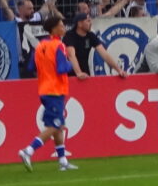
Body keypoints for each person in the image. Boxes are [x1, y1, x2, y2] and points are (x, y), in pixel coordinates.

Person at [19, 14, 78, 171]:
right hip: (55, 90)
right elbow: (61, 68)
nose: (64, 28)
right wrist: (71, 63)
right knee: (55, 125)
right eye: (61, 25)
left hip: (44, 89)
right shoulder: (59, 45)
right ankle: (28, 150)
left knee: (58, 127)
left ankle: (63, 161)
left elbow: (31, 67)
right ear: (54, 29)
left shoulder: (40, 45)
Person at [64, 11, 128, 78]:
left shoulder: (90, 35)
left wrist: (119, 70)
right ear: (79, 24)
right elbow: (71, 55)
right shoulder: (69, 36)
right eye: (88, 21)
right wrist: (79, 73)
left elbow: (104, 54)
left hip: (85, 74)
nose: (91, 23)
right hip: (69, 75)